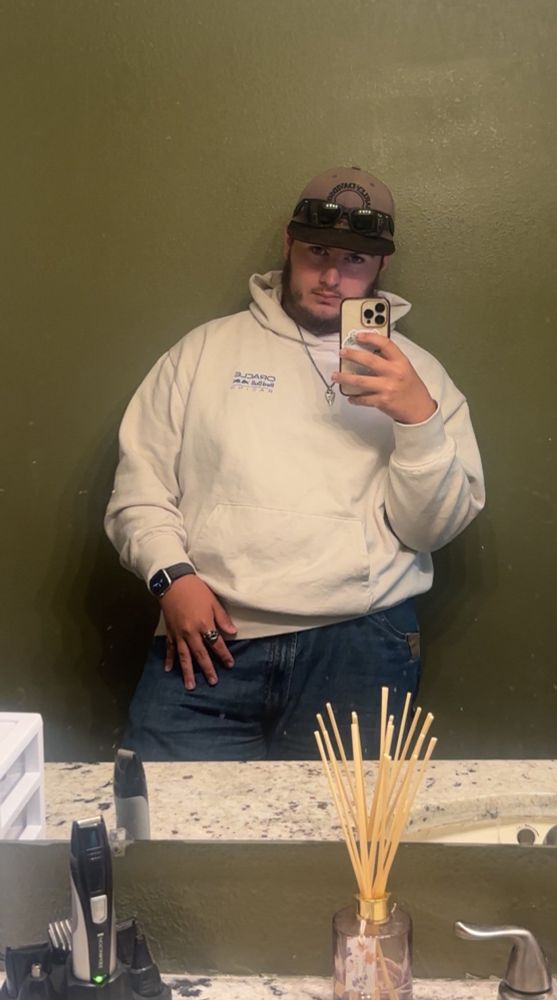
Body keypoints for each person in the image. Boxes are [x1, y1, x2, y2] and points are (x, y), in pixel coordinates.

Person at [104, 165, 485, 761]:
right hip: (209, 635)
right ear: (289, 244)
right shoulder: (202, 353)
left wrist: (417, 419)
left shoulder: (419, 376)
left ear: (381, 266)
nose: (332, 277)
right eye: (317, 252)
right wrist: (170, 578)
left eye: (355, 260)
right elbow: (139, 490)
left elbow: (429, 531)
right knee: (169, 816)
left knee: (351, 825)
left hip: (362, 641)